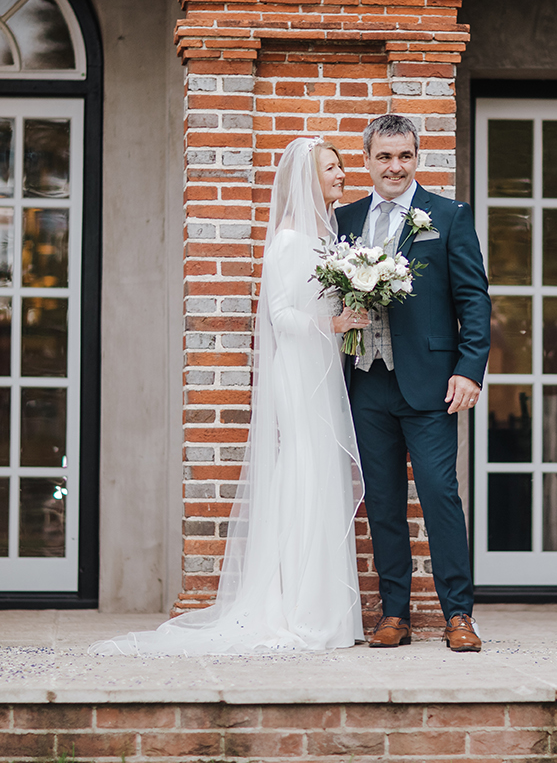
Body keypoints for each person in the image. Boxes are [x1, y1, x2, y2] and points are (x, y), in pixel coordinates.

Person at [92, 137, 366, 655]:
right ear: (307, 178)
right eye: (331, 167)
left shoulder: (329, 239)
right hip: (297, 370)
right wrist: (332, 324)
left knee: (324, 472)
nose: (341, 175)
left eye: (340, 166)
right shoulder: (289, 241)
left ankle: (327, 608)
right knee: (304, 469)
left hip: (323, 368)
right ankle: (296, 606)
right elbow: (280, 315)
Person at [334, 114, 491, 652]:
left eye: (404, 156)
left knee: (440, 495)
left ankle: (459, 615)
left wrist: (469, 369)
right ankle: (394, 614)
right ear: (367, 160)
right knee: (382, 502)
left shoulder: (447, 216)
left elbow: (473, 299)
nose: (395, 167)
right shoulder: (344, 220)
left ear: (417, 157)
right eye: (384, 156)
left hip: (430, 384)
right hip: (366, 382)